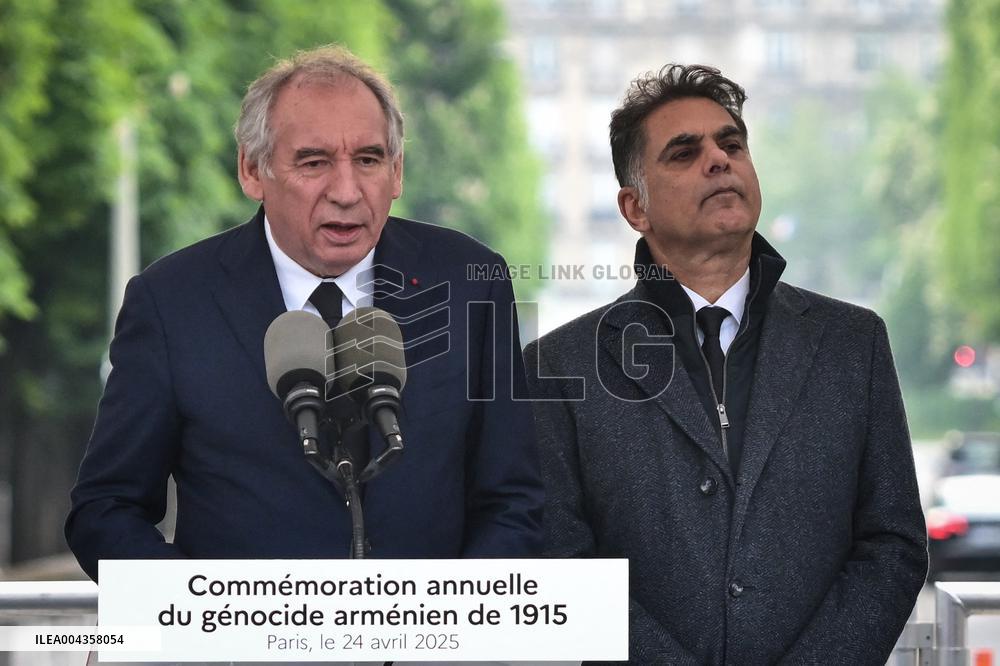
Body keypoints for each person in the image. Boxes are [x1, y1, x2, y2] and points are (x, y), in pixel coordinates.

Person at [66, 45, 543, 581]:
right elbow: (105, 511)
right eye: (314, 162)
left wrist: (458, 625)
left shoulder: (469, 283)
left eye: (368, 160)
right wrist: (205, 613)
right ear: (252, 170)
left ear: (398, 171)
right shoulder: (172, 302)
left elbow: (514, 501)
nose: (345, 191)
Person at [524, 64, 927, 665]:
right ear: (635, 208)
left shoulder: (853, 343)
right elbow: (557, 562)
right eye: (684, 153)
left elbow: (892, 543)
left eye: (731, 144)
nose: (719, 160)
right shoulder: (558, 367)